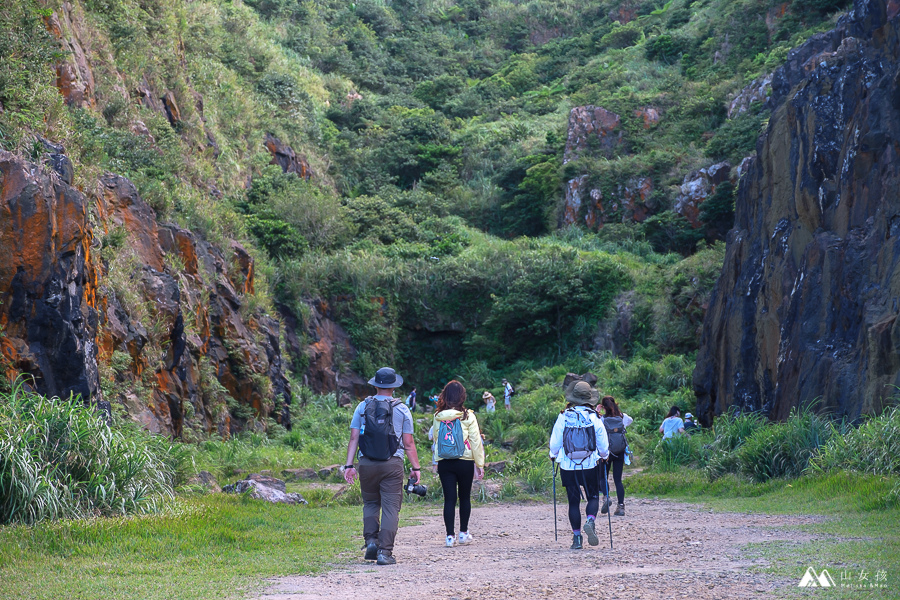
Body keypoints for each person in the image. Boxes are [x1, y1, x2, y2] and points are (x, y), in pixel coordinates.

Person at [343, 367, 422, 566]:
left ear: (376, 385)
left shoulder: (362, 406)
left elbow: (354, 437)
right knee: (390, 509)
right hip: (392, 464)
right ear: (394, 387)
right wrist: (416, 468)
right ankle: (385, 553)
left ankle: (371, 541)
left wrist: (349, 465)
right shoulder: (402, 409)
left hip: (366, 463)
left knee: (370, 504)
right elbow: (409, 443)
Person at [549, 381, 609, 550]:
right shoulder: (594, 417)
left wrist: (553, 455)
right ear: (590, 398)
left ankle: (577, 539)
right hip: (590, 464)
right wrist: (604, 456)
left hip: (568, 467)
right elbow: (603, 445)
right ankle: (590, 520)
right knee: (593, 497)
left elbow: (555, 444)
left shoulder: (564, 416)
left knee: (573, 502)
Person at [433, 380, 485, 547]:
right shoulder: (468, 415)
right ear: (462, 396)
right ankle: (463, 533)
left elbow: (436, 439)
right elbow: (476, 441)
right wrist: (480, 464)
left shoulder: (438, 416)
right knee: (464, 497)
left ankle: (449, 537)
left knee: (449, 499)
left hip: (445, 462)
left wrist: (436, 461)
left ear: (445, 396)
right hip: (465, 461)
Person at [598, 395, 633, 517]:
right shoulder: (623, 417)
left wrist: (597, 412)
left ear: (603, 407)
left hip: (606, 452)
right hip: (619, 451)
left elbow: (595, 427)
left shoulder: (602, 419)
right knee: (618, 480)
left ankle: (606, 497)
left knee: (603, 477)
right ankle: (621, 506)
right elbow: (631, 420)